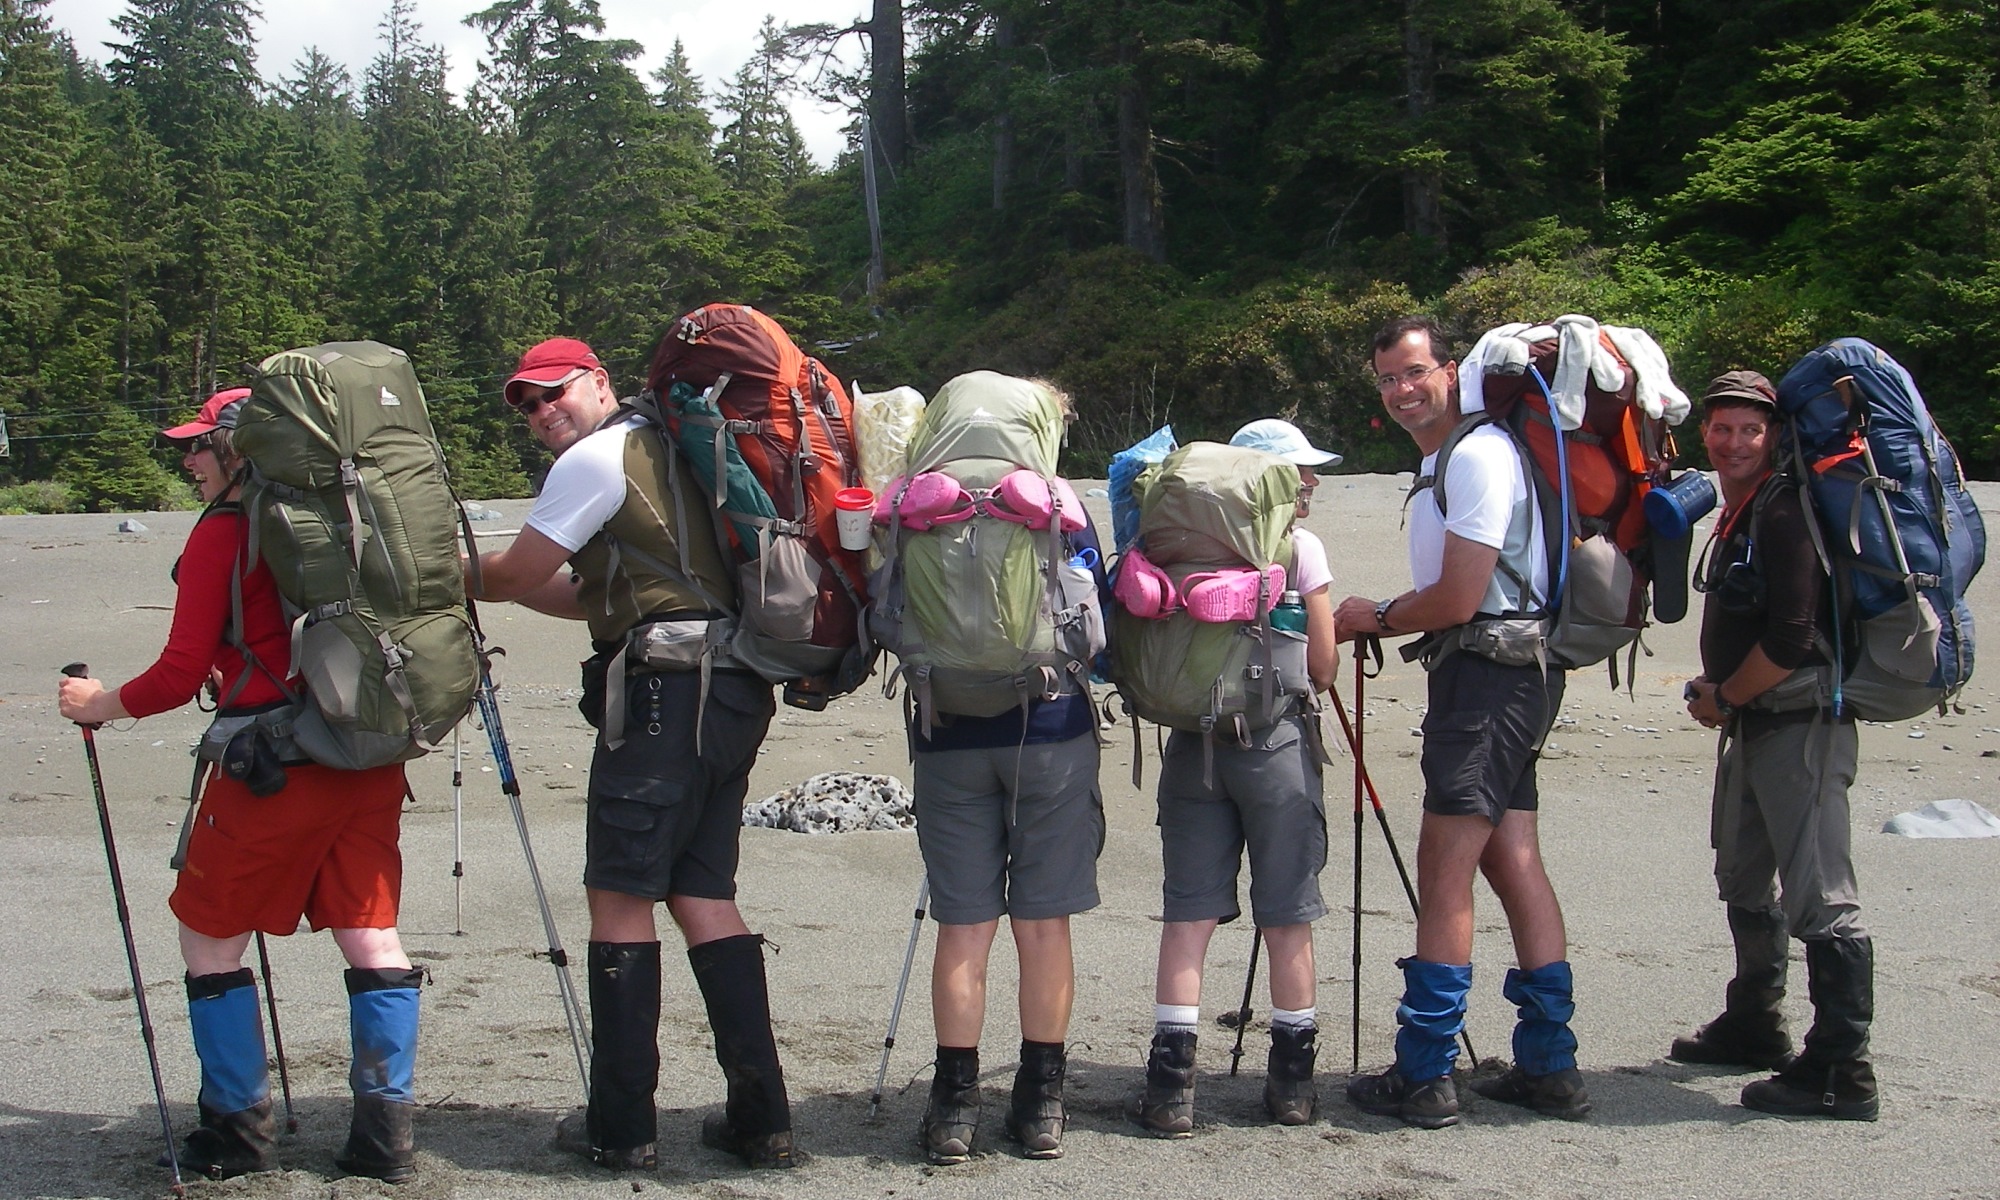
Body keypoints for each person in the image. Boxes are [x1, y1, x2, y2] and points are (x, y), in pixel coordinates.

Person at [56, 389, 423, 1183]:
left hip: (273, 764)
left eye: (196, 447)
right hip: (367, 753)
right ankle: (385, 1138)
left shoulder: (226, 531)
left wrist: (100, 704)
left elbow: (181, 671)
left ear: (239, 450)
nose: (185, 461)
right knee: (370, 931)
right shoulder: (343, 515)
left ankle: (235, 1132)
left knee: (209, 935)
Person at [466, 338, 795, 1169]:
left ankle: (623, 1129)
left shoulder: (595, 460)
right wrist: (495, 578)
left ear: (598, 381)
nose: (544, 412)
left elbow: (510, 575)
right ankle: (763, 1120)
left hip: (661, 699)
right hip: (728, 690)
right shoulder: (670, 450)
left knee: (617, 899)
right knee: (701, 893)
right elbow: (592, 592)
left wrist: (441, 573)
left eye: (554, 393)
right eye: (528, 405)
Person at [1335, 316, 1587, 1128]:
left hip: (1485, 679)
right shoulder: (1455, 456)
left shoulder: (1476, 456)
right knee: (1513, 858)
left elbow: (1457, 598)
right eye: (1386, 379)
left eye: (1414, 372)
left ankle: (1425, 1073)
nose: (1402, 390)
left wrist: (1367, 616)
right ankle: (1551, 1065)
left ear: (1449, 370)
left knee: (1445, 869)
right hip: (1514, 674)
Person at [911, 379, 1107, 1166]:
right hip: (1051, 728)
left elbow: (880, 597)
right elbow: (1101, 619)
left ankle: (955, 1104)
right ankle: (1040, 1100)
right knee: (1041, 922)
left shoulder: (914, 497)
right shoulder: (1060, 500)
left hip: (948, 729)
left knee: (964, 924)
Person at [1673, 370, 1878, 1120]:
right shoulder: (1746, 508)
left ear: (1776, 435)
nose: (1732, 443)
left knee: (1821, 893)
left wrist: (1726, 694)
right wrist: (1725, 693)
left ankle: (1840, 1069)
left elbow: (1792, 635)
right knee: (1744, 873)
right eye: (1722, 429)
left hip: (1799, 723)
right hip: (1760, 721)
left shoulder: (1784, 509)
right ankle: (1755, 1021)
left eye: (1748, 431)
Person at [1129, 419, 1342, 1136]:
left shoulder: (1172, 545)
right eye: (1302, 473)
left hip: (1193, 745)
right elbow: (1321, 667)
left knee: (1187, 917)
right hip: (1275, 747)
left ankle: (1170, 1090)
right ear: (1271, 481)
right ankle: (1291, 1088)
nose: (1311, 484)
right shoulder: (1299, 547)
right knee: (1287, 917)